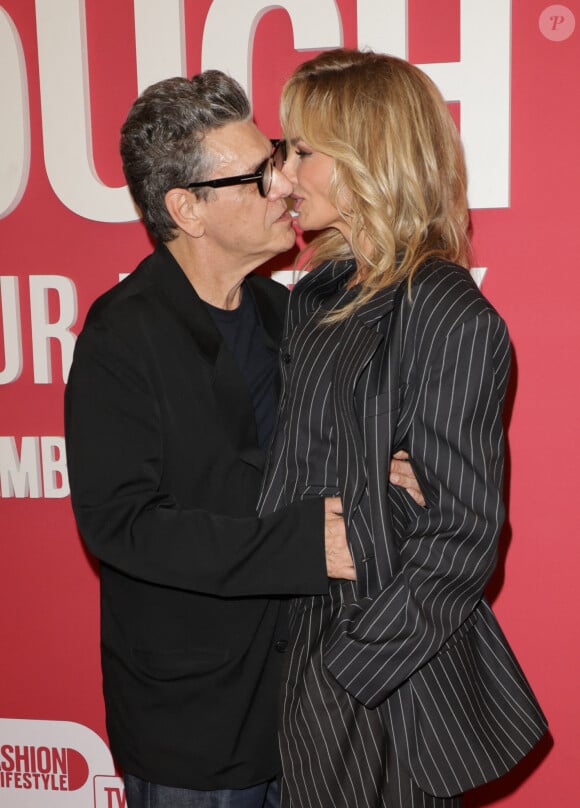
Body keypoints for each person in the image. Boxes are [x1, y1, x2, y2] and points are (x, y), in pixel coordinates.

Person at [64, 70, 420, 808]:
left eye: (282, 158)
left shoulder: (281, 310)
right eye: (260, 174)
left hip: (305, 699)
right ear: (187, 208)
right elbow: (123, 526)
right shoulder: (122, 333)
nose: (286, 185)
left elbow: (308, 454)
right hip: (193, 719)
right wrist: (300, 545)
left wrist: (378, 466)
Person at [258, 49, 548, 808]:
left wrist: (351, 669)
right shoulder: (316, 295)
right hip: (291, 638)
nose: (282, 174)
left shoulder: (445, 307)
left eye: (302, 150)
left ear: (365, 157)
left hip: (372, 673)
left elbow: (465, 531)